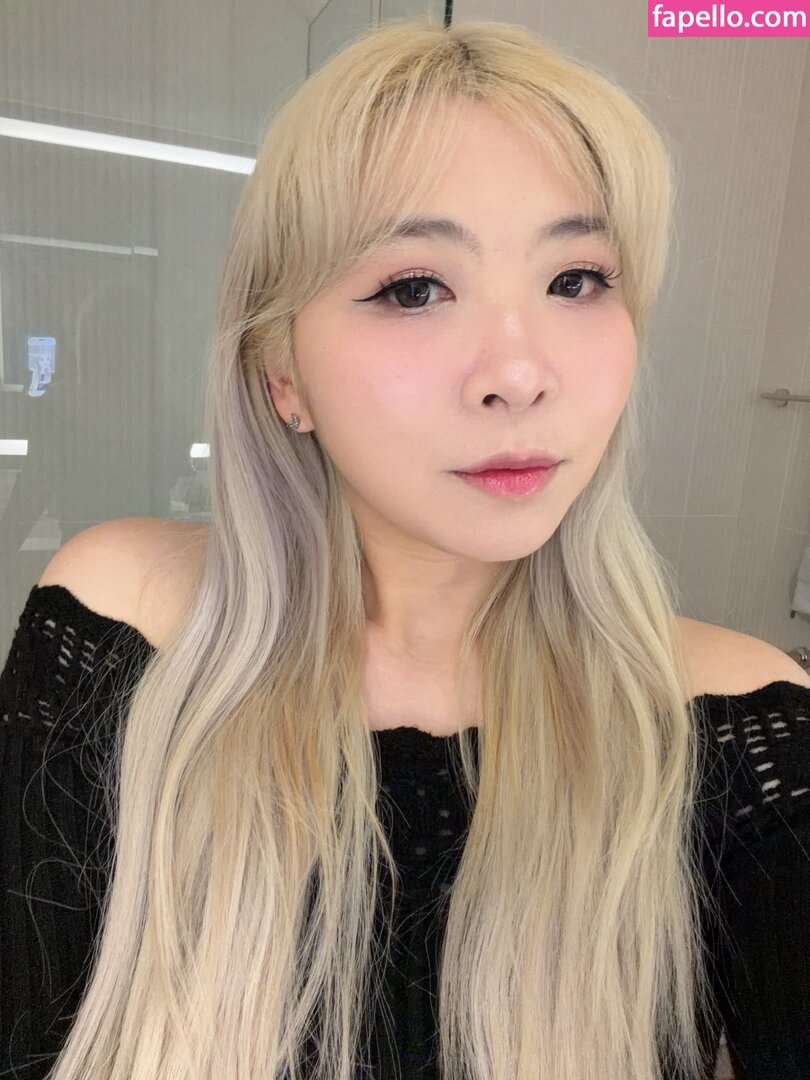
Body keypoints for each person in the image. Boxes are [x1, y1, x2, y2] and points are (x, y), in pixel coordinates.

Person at [1, 16, 809, 1080]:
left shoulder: (740, 723)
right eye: (415, 287)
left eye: (577, 279)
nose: (519, 374)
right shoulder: (124, 625)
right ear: (282, 375)